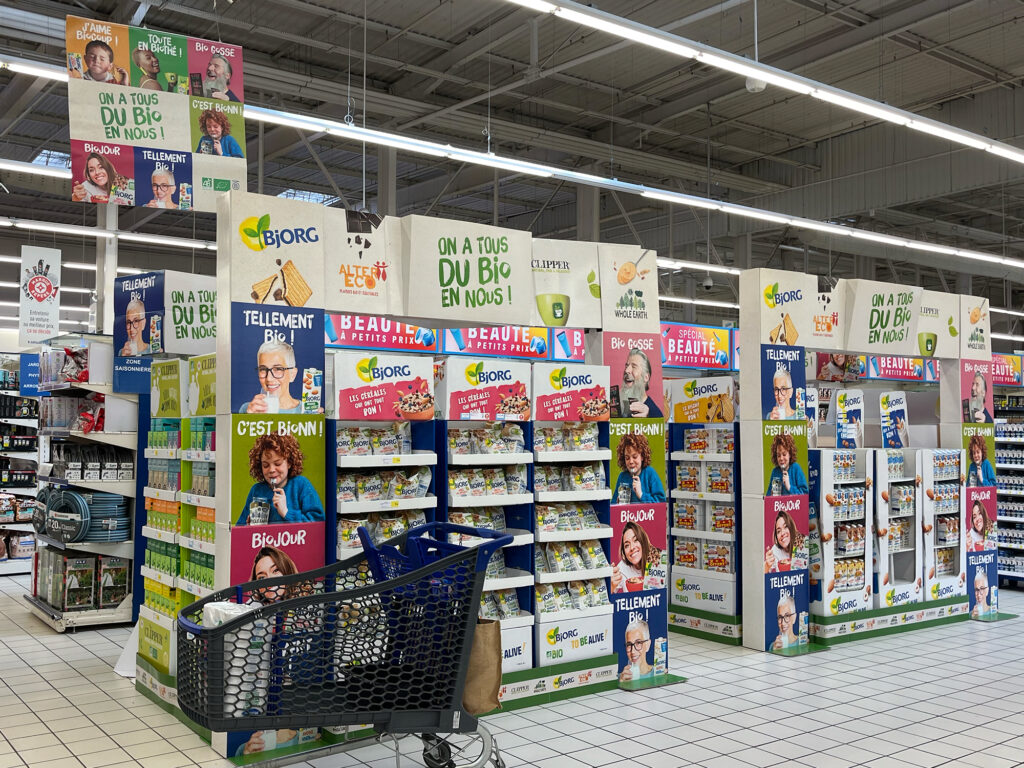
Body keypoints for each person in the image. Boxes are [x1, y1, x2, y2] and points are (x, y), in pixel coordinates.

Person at [236, 432, 324, 525]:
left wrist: (286, 512)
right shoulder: (257, 490)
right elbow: (239, 527)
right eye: (265, 465)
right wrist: (248, 527)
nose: (271, 470)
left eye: (277, 464)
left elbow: (317, 523)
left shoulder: (301, 485)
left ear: (289, 463)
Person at [242, 340, 302, 414]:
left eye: (278, 369)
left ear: (292, 374)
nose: (269, 378)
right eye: (263, 369)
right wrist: (249, 418)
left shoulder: (307, 412)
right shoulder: (248, 409)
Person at [611, 521, 663, 593]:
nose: (632, 547)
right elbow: (609, 596)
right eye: (627, 545)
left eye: (635, 540)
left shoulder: (658, 560)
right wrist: (611, 586)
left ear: (643, 541)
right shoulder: (622, 568)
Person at [613, 433, 665, 504]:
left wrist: (641, 494)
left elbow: (661, 503)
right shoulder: (622, 477)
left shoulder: (650, 473)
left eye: (635, 457)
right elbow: (613, 504)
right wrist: (617, 503)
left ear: (642, 456)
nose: (631, 461)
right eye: (627, 458)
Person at [620, 348, 663, 418]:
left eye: (634, 366)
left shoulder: (654, 414)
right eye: (627, 366)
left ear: (646, 377)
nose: (627, 370)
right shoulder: (618, 408)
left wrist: (647, 419)